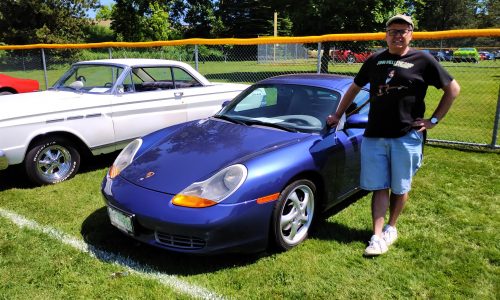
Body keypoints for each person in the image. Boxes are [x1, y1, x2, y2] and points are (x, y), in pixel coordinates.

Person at [327, 14, 460, 256]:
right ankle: (376, 236)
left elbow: (453, 89)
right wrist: (338, 114)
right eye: (393, 30)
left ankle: (392, 226)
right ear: (386, 34)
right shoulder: (375, 59)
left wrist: (433, 120)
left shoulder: (423, 59)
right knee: (379, 185)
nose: (398, 35)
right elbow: (354, 88)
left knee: (400, 186)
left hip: (406, 135)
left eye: (403, 30)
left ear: (411, 33)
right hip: (375, 135)